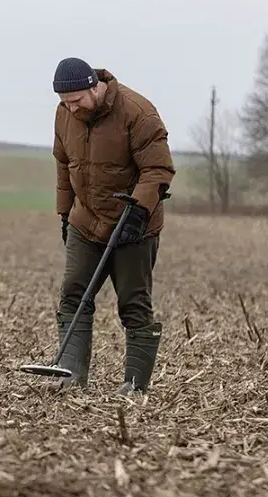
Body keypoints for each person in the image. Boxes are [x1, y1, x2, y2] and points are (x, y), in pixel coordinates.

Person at [48, 57, 175, 395]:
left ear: (94, 86)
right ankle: (70, 376)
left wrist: (139, 211)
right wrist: (65, 214)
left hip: (133, 224)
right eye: (65, 103)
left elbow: (159, 170)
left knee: (133, 303)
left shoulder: (137, 112)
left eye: (76, 101)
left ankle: (135, 386)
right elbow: (65, 165)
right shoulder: (65, 115)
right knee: (73, 295)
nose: (71, 109)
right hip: (85, 221)